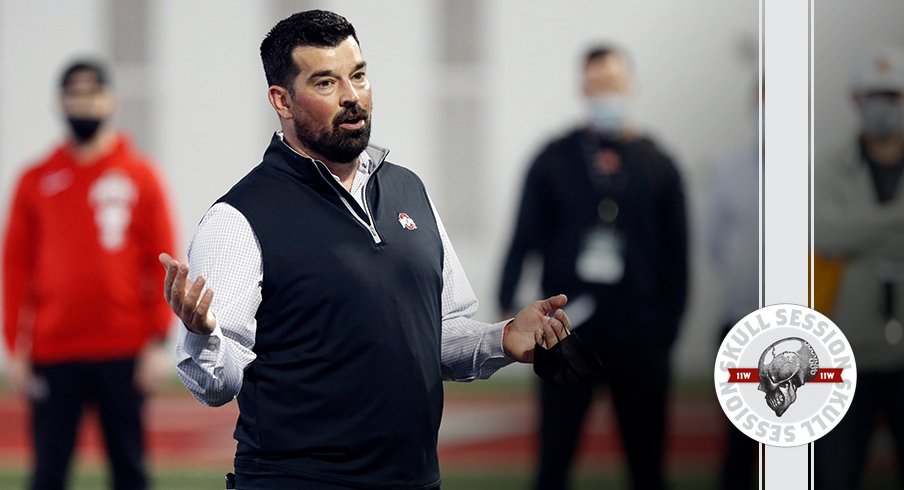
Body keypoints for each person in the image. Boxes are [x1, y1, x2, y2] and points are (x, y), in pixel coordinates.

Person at [158, 10, 573, 489]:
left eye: (358, 75)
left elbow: (432, 339)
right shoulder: (239, 218)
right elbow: (216, 384)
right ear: (282, 100)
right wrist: (202, 333)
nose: (352, 97)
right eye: (326, 82)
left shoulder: (408, 190)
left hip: (414, 481)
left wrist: (501, 339)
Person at [497, 45, 688, 490]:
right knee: (554, 461)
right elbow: (523, 235)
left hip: (640, 336)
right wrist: (507, 306)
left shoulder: (659, 164)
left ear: (632, 86)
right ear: (582, 87)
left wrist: (668, 326)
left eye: (613, 84)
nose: (604, 94)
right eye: (596, 85)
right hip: (566, 331)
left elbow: (679, 254)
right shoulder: (554, 158)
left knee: (648, 464)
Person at [2, 59, 175, 490]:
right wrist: (15, 344)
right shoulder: (35, 179)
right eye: (74, 95)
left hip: (123, 346)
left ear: (110, 100)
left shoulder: (141, 176)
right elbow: (16, 266)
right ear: (61, 102)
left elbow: (162, 263)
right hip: (53, 348)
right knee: (48, 472)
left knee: (129, 469)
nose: (83, 103)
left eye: (91, 93)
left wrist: (157, 341)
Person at [814, 45, 904, 490]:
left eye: (892, 94)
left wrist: (859, 235)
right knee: (837, 474)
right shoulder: (828, 165)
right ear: (856, 99)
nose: (883, 105)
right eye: (874, 94)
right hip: (846, 353)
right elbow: (824, 235)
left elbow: (843, 234)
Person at [705, 81, 759, 490]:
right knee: (741, 444)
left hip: (801, 328)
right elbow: (714, 243)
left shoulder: (816, 171)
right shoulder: (730, 172)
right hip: (741, 323)